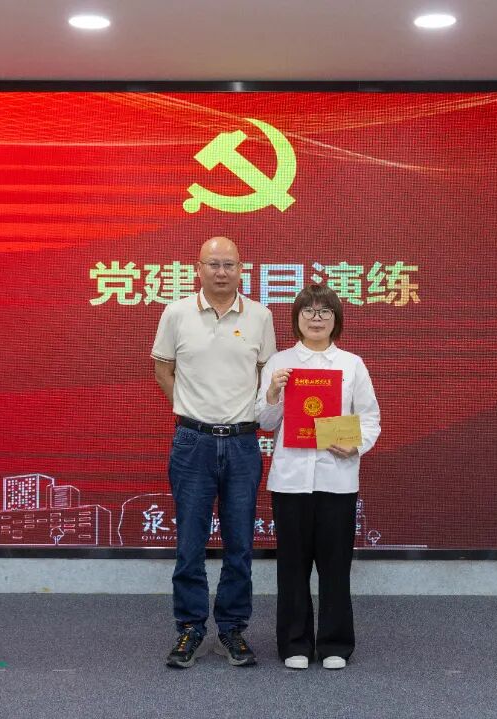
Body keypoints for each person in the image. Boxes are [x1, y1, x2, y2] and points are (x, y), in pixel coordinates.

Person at [152, 236, 277, 668]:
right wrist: (191, 408)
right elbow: (163, 369)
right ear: (198, 268)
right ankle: (189, 628)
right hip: (193, 443)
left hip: (243, 443)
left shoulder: (260, 316)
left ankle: (232, 629)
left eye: (229, 265)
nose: (221, 272)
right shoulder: (176, 313)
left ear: (242, 269)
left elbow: (267, 375)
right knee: (190, 542)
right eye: (213, 264)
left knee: (240, 542)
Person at [255, 283, 380, 670]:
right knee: (292, 567)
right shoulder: (279, 363)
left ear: (335, 319)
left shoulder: (351, 364)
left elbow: (370, 418)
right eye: (308, 311)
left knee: (335, 566)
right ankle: (294, 643)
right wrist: (273, 393)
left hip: (337, 479)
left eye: (324, 311)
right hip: (290, 480)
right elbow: (264, 421)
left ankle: (334, 644)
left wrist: (355, 445)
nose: (316, 318)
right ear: (296, 318)